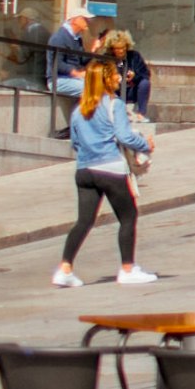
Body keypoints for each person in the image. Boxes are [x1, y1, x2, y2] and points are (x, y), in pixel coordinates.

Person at [52, 64, 154, 289]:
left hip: (84, 170)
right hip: (110, 168)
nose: (119, 77)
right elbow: (124, 136)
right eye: (115, 75)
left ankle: (65, 268)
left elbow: (75, 143)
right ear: (105, 80)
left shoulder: (78, 110)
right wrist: (145, 143)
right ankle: (128, 269)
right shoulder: (113, 104)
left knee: (84, 221)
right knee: (128, 217)